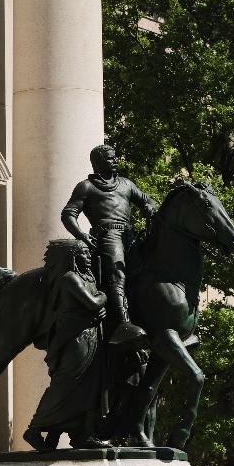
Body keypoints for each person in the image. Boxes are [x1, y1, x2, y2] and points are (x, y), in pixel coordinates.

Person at [61, 144, 157, 347]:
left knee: (151, 267)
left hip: (129, 234)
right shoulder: (86, 187)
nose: (115, 161)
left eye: (115, 157)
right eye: (110, 158)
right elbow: (68, 214)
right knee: (117, 271)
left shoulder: (126, 184)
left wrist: (149, 205)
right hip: (107, 234)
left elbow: (148, 200)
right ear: (97, 163)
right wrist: (81, 235)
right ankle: (124, 324)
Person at [23, 239, 113, 451]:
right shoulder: (69, 279)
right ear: (72, 256)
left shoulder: (87, 277)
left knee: (92, 384)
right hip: (75, 338)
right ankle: (35, 428)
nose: (87, 257)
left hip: (91, 334)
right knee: (67, 383)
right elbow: (92, 302)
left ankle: (85, 434)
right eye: (82, 253)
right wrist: (103, 296)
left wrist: (99, 307)